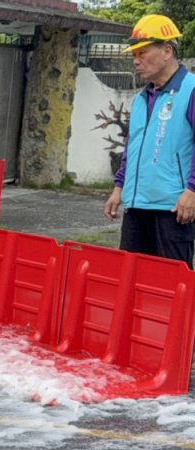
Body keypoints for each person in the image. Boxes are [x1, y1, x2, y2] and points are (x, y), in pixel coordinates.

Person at [104, 14, 195, 267]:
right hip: (136, 207)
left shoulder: (191, 90)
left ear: (167, 51)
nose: (136, 60)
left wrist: (192, 191)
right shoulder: (141, 98)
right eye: (134, 55)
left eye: (143, 53)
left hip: (173, 209)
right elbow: (132, 148)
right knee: (131, 279)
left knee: (171, 283)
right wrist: (119, 187)